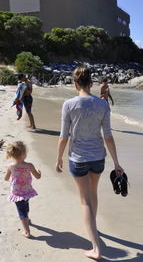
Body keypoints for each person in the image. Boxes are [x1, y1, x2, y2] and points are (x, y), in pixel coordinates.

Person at [56, 67, 124, 260]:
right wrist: (116, 163)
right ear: (91, 84)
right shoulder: (102, 105)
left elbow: (63, 137)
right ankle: (94, 228)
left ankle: (96, 248)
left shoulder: (68, 104)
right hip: (98, 158)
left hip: (78, 159)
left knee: (84, 201)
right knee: (92, 193)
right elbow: (108, 136)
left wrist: (59, 157)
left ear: (75, 84)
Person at [4, 141, 41, 238]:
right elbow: (37, 177)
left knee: (21, 211)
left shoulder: (11, 167)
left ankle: (26, 230)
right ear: (24, 154)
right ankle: (27, 225)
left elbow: (6, 178)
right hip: (27, 191)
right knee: (25, 206)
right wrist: (39, 173)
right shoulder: (29, 165)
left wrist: (9, 175)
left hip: (17, 193)